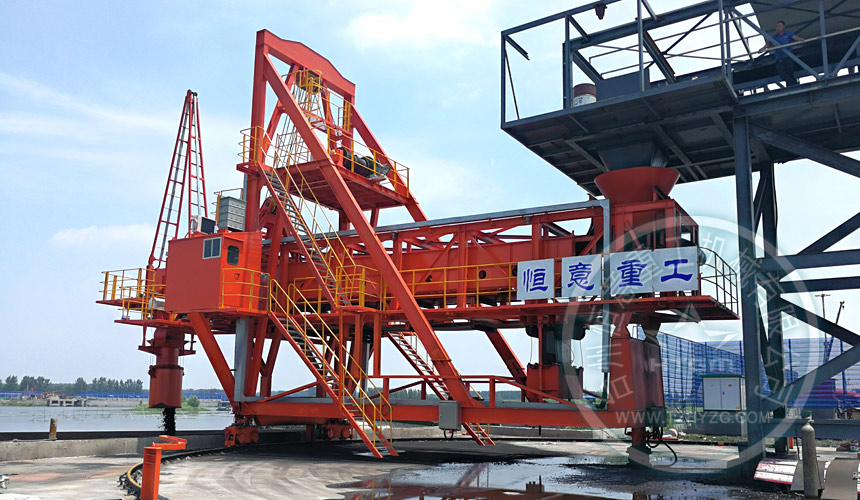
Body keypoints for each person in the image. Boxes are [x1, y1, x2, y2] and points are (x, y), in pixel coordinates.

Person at [759, 21, 805, 86]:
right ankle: (793, 83)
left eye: (779, 26)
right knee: (782, 73)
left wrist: (801, 39)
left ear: (783, 26)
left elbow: (795, 37)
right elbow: (769, 44)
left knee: (790, 72)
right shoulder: (774, 37)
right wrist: (762, 49)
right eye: (777, 26)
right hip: (779, 58)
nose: (778, 28)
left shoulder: (788, 33)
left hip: (788, 57)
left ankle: (790, 85)